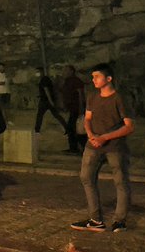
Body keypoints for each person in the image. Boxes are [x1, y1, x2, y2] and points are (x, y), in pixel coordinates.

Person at [71, 63, 134, 233]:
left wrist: (104, 137)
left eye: (97, 76)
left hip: (115, 146)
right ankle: (95, 219)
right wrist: (91, 135)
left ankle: (120, 221)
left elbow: (129, 126)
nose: (93, 80)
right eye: (93, 77)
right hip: (93, 145)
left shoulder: (119, 98)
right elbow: (87, 119)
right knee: (86, 177)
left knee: (120, 182)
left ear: (109, 79)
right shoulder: (92, 96)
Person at [59, 65, 85, 154]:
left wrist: (81, 108)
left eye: (66, 70)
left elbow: (81, 94)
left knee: (75, 128)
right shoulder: (66, 81)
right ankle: (74, 148)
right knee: (72, 128)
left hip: (76, 108)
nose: (63, 72)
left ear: (71, 71)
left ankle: (79, 148)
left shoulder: (76, 81)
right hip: (72, 108)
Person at [33, 66, 66, 134]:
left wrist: (50, 101)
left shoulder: (44, 79)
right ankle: (66, 127)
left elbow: (46, 90)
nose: (37, 73)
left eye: (37, 72)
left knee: (40, 115)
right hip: (46, 100)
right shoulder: (44, 79)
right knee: (56, 115)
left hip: (45, 101)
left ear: (41, 72)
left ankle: (37, 130)